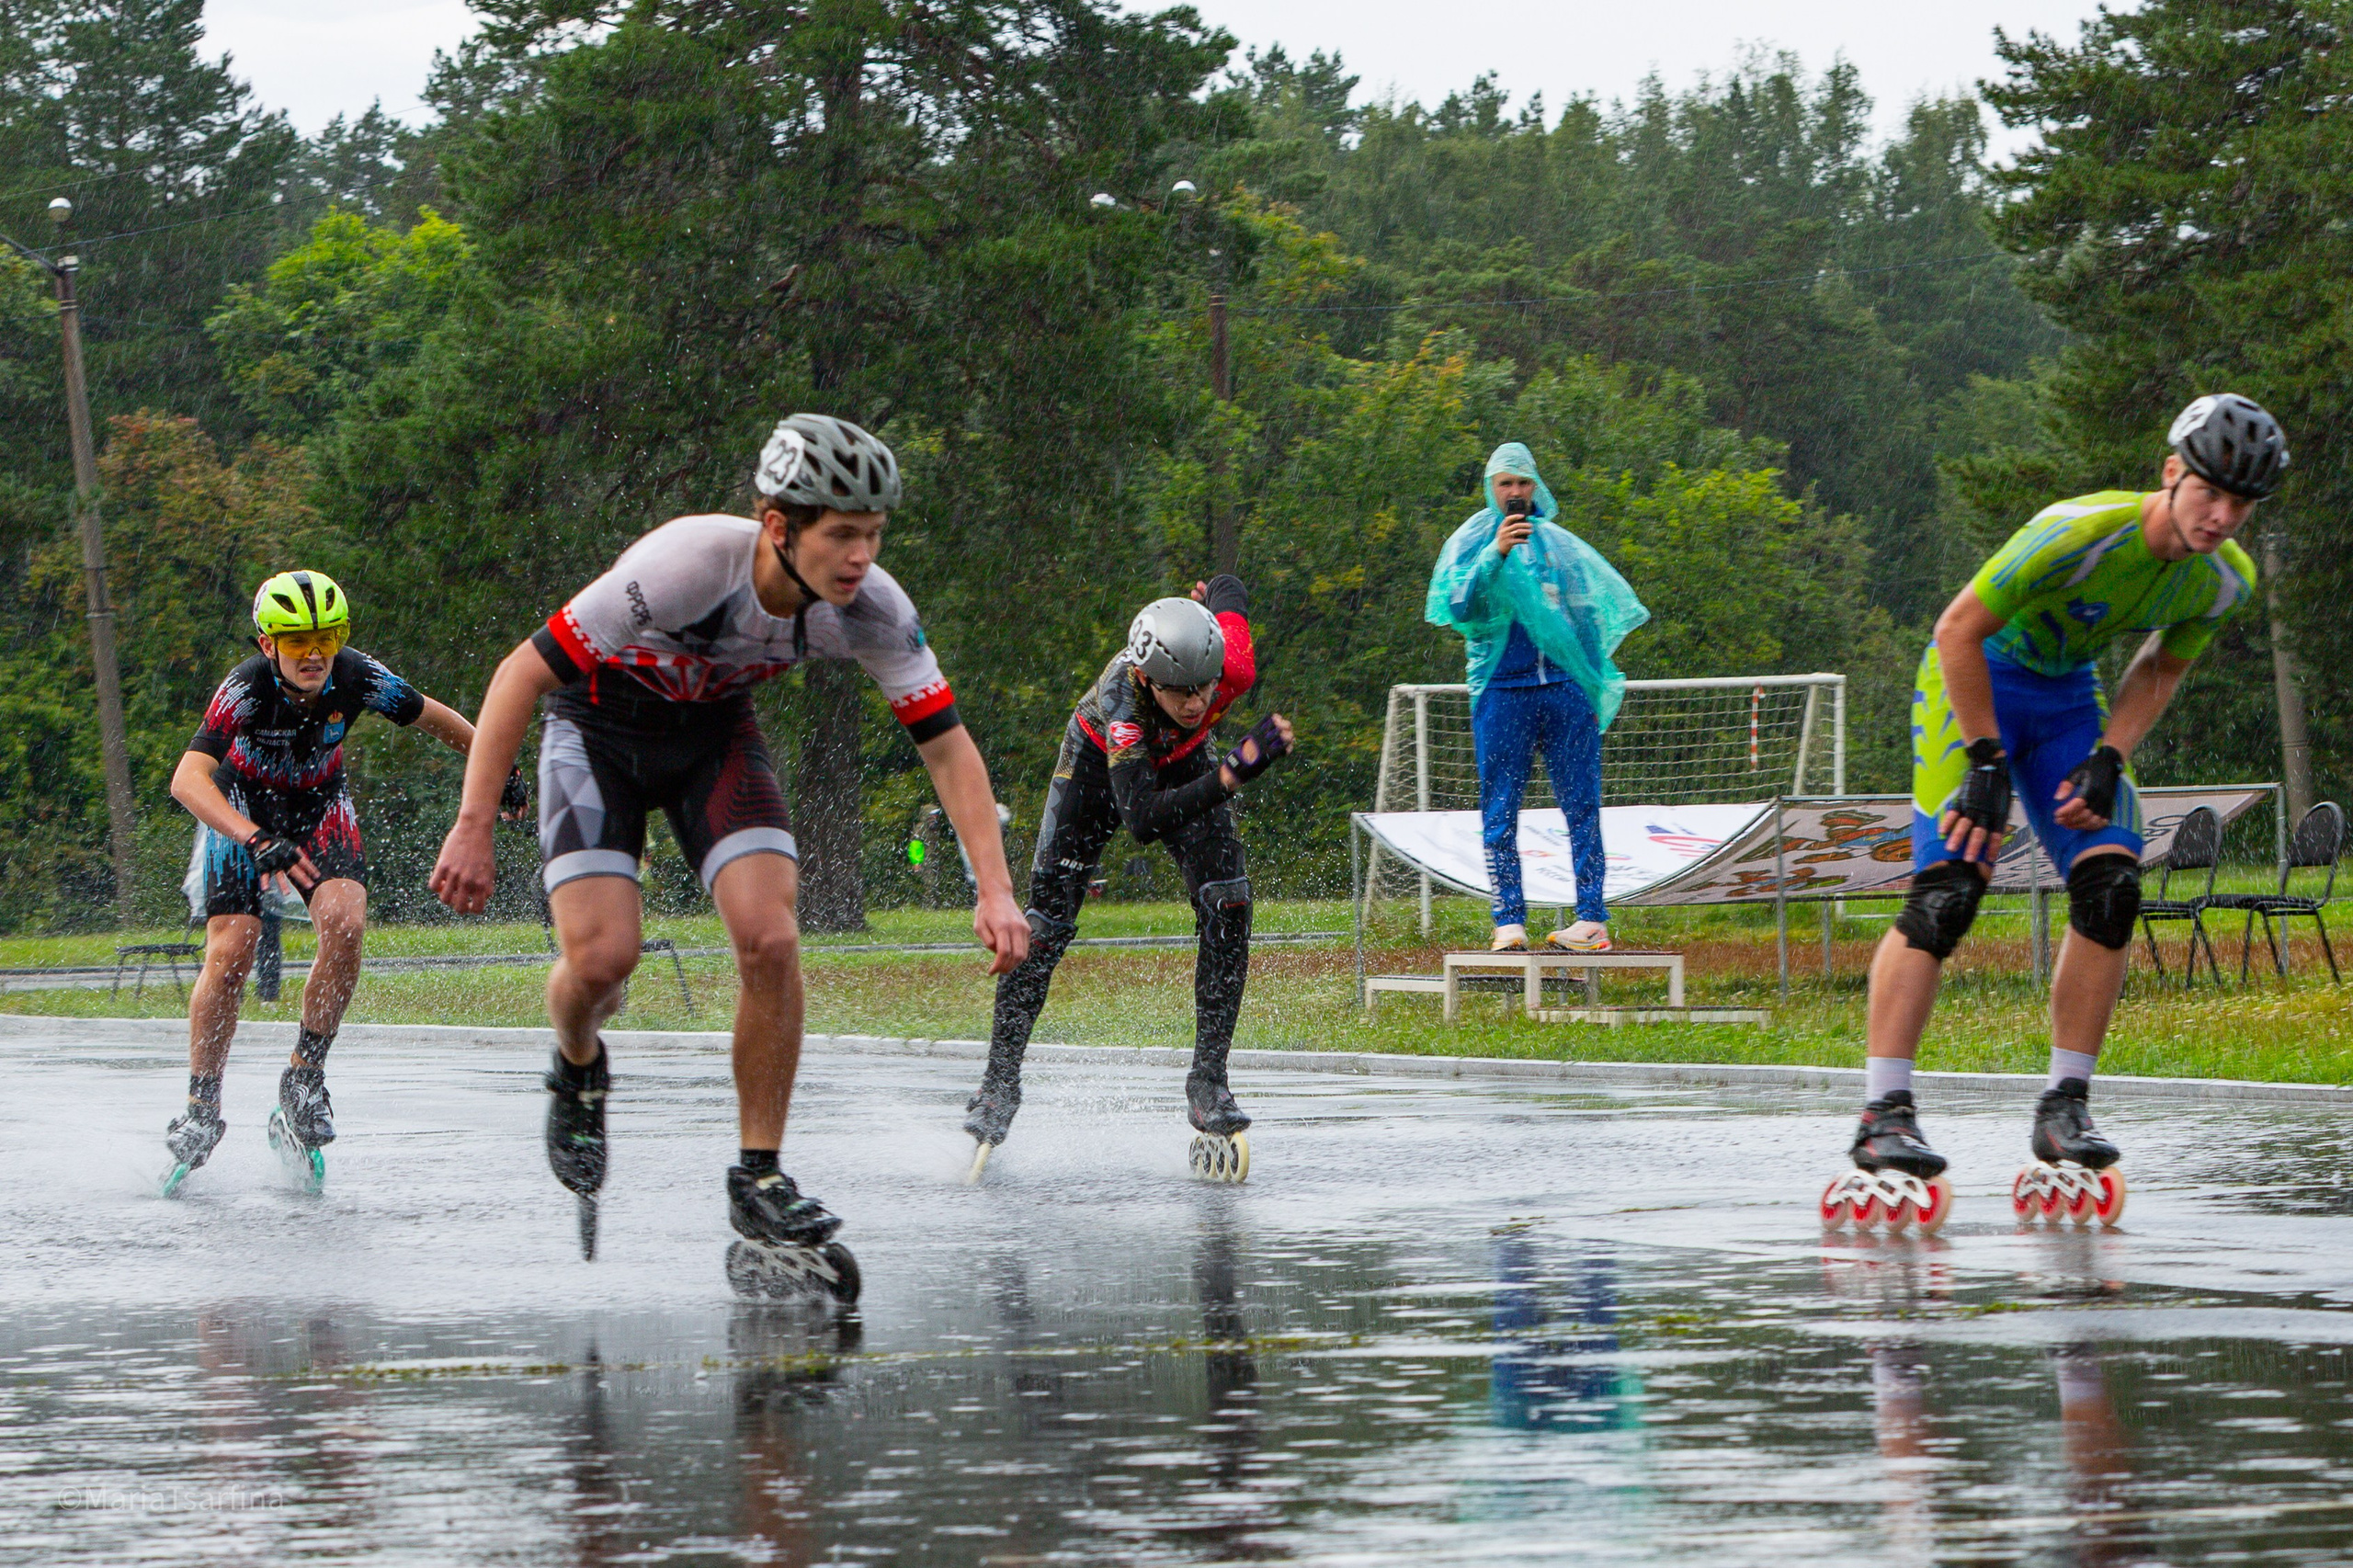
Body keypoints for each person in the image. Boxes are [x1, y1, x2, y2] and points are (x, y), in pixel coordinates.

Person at [428, 414, 1028, 1255]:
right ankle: (575, 1062)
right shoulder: (687, 563)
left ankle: (761, 1175)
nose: (863, 557)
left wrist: (995, 889)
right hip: (597, 731)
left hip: (713, 737)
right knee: (603, 961)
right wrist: (473, 826)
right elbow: (520, 673)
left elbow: (947, 748)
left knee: (771, 938)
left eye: (876, 534)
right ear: (779, 527)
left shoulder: (874, 610)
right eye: (844, 535)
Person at [1847, 393, 2283, 1199]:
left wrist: (2111, 756)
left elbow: (2159, 668)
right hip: (1974, 685)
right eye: (2208, 492)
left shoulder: (2224, 581)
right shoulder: (2076, 532)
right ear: (2170, 473)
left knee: (2112, 888)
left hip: (2064, 706)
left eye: (2240, 504)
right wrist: (1983, 761)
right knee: (1948, 894)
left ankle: (2065, 1105)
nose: (2221, 517)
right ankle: (1884, 1112)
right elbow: (1956, 630)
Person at [163, 570, 506, 1184]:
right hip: (240, 810)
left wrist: (496, 769)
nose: (315, 652)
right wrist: (253, 837)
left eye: (329, 635)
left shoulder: (357, 675)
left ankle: (303, 1078)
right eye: (297, 641)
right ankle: (201, 1106)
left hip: (319, 807)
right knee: (233, 953)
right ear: (268, 645)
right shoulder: (244, 688)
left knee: (346, 925)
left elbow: (434, 717)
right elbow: (187, 780)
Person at [962, 574, 1292, 1163]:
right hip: (1100, 768)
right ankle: (999, 1082)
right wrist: (1235, 771)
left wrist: (1208, 596)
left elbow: (1230, 587)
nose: (1196, 703)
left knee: (1231, 901)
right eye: (1179, 692)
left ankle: (1208, 1083)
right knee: (1044, 927)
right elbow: (1143, 818)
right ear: (1145, 678)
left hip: (1183, 763)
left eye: (1204, 689)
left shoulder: (1229, 663)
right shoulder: (1123, 700)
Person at [1427, 442, 1648, 954]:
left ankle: (1592, 919)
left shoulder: (1561, 549)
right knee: (1500, 808)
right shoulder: (1471, 542)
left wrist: (1592, 686)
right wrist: (1497, 554)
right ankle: (1508, 919)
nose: (1515, 493)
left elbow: (1587, 620)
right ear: (1491, 488)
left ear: (1537, 487)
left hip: (1566, 692)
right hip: (1503, 691)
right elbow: (1459, 606)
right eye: (1505, 483)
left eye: (1523, 483)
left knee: (1582, 805)